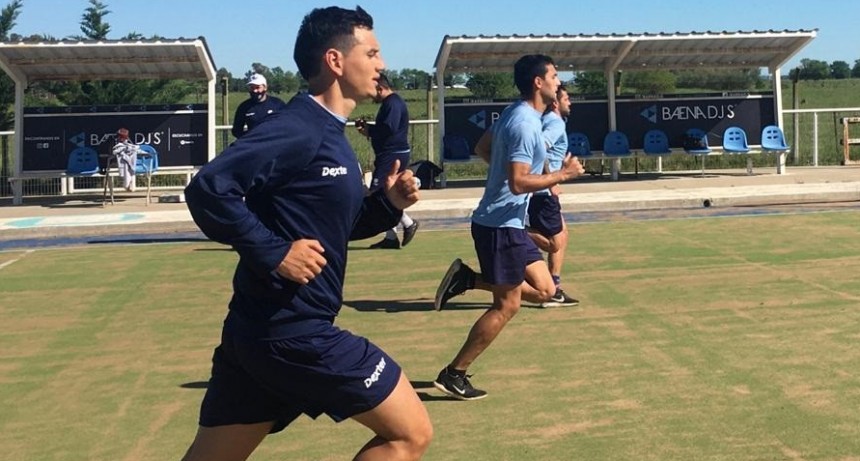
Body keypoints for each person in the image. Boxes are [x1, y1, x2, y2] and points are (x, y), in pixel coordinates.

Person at [180, 6, 432, 461]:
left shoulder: (332, 135)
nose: (382, 64)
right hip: (293, 333)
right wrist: (274, 251)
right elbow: (208, 188)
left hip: (256, 332)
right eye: (372, 53)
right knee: (409, 434)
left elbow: (335, 226)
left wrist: (388, 205)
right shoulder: (298, 127)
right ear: (335, 61)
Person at [432, 54, 585, 401]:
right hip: (499, 226)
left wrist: (502, 172)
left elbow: (482, 147)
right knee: (508, 305)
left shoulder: (514, 114)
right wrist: (562, 175)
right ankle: (454, 373)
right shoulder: (524, 124)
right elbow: (518, 183)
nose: (559, 83)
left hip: (508, 224)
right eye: (555, 76)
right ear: (538, 82)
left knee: (546, 291)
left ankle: (468, 279)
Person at [356, 72, 420, 249]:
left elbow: (388, 129)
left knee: (378, 194)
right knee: (385, 194)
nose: (371, 95)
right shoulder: (391, 103)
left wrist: (370, 129)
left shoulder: (392, 103)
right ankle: (391, 236)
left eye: (372, 91)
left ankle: (407, 224)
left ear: (380, 87)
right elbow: (386, 129)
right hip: (392, 153)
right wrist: (368, 130)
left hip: (393, 155)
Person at [528, 85, 579, 307]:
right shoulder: (555, 122)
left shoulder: (552, 121)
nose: (571, 103)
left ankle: (554, 287)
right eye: (567, 98)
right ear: (556, 103)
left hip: (543, 191)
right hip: (542, 192)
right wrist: (552, 181)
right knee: (554, 244)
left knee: (563, 235)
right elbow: (539, 150)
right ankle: (516, 232)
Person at [230, 72, 287, 139]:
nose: (255, 91)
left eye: (258, 87)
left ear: (265, 87)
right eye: (252, 88)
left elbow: (287, 124)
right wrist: (249, 138)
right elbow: (237, 131)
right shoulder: (244, 107)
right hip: (254, 146)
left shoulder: (277, 104)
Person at [112, 127, 138, 191]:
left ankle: (130, 185)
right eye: (121, 137)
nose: (123, 139)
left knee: (131, 167)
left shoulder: (129, 143)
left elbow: (135, 149)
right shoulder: (114, 143)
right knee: (125, 162)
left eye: (124, 137)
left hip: (131, 164)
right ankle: (127, 184)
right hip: (115, 163)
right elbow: (113, 152)